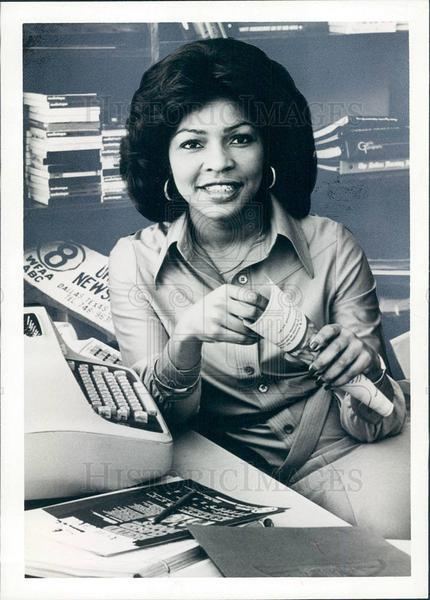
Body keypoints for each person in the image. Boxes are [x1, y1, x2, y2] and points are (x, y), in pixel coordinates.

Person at [109, 38, 409, 538]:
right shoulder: (135, 262)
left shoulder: (334, 246)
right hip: (220, 476)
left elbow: (376, 424)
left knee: (393, 551)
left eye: (240, 138)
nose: (219, 162)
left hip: (344, 457)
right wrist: (185, 342)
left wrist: (365, 371)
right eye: (191, 143)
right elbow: (157, 426)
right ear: (165, 161)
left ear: (269, 147)